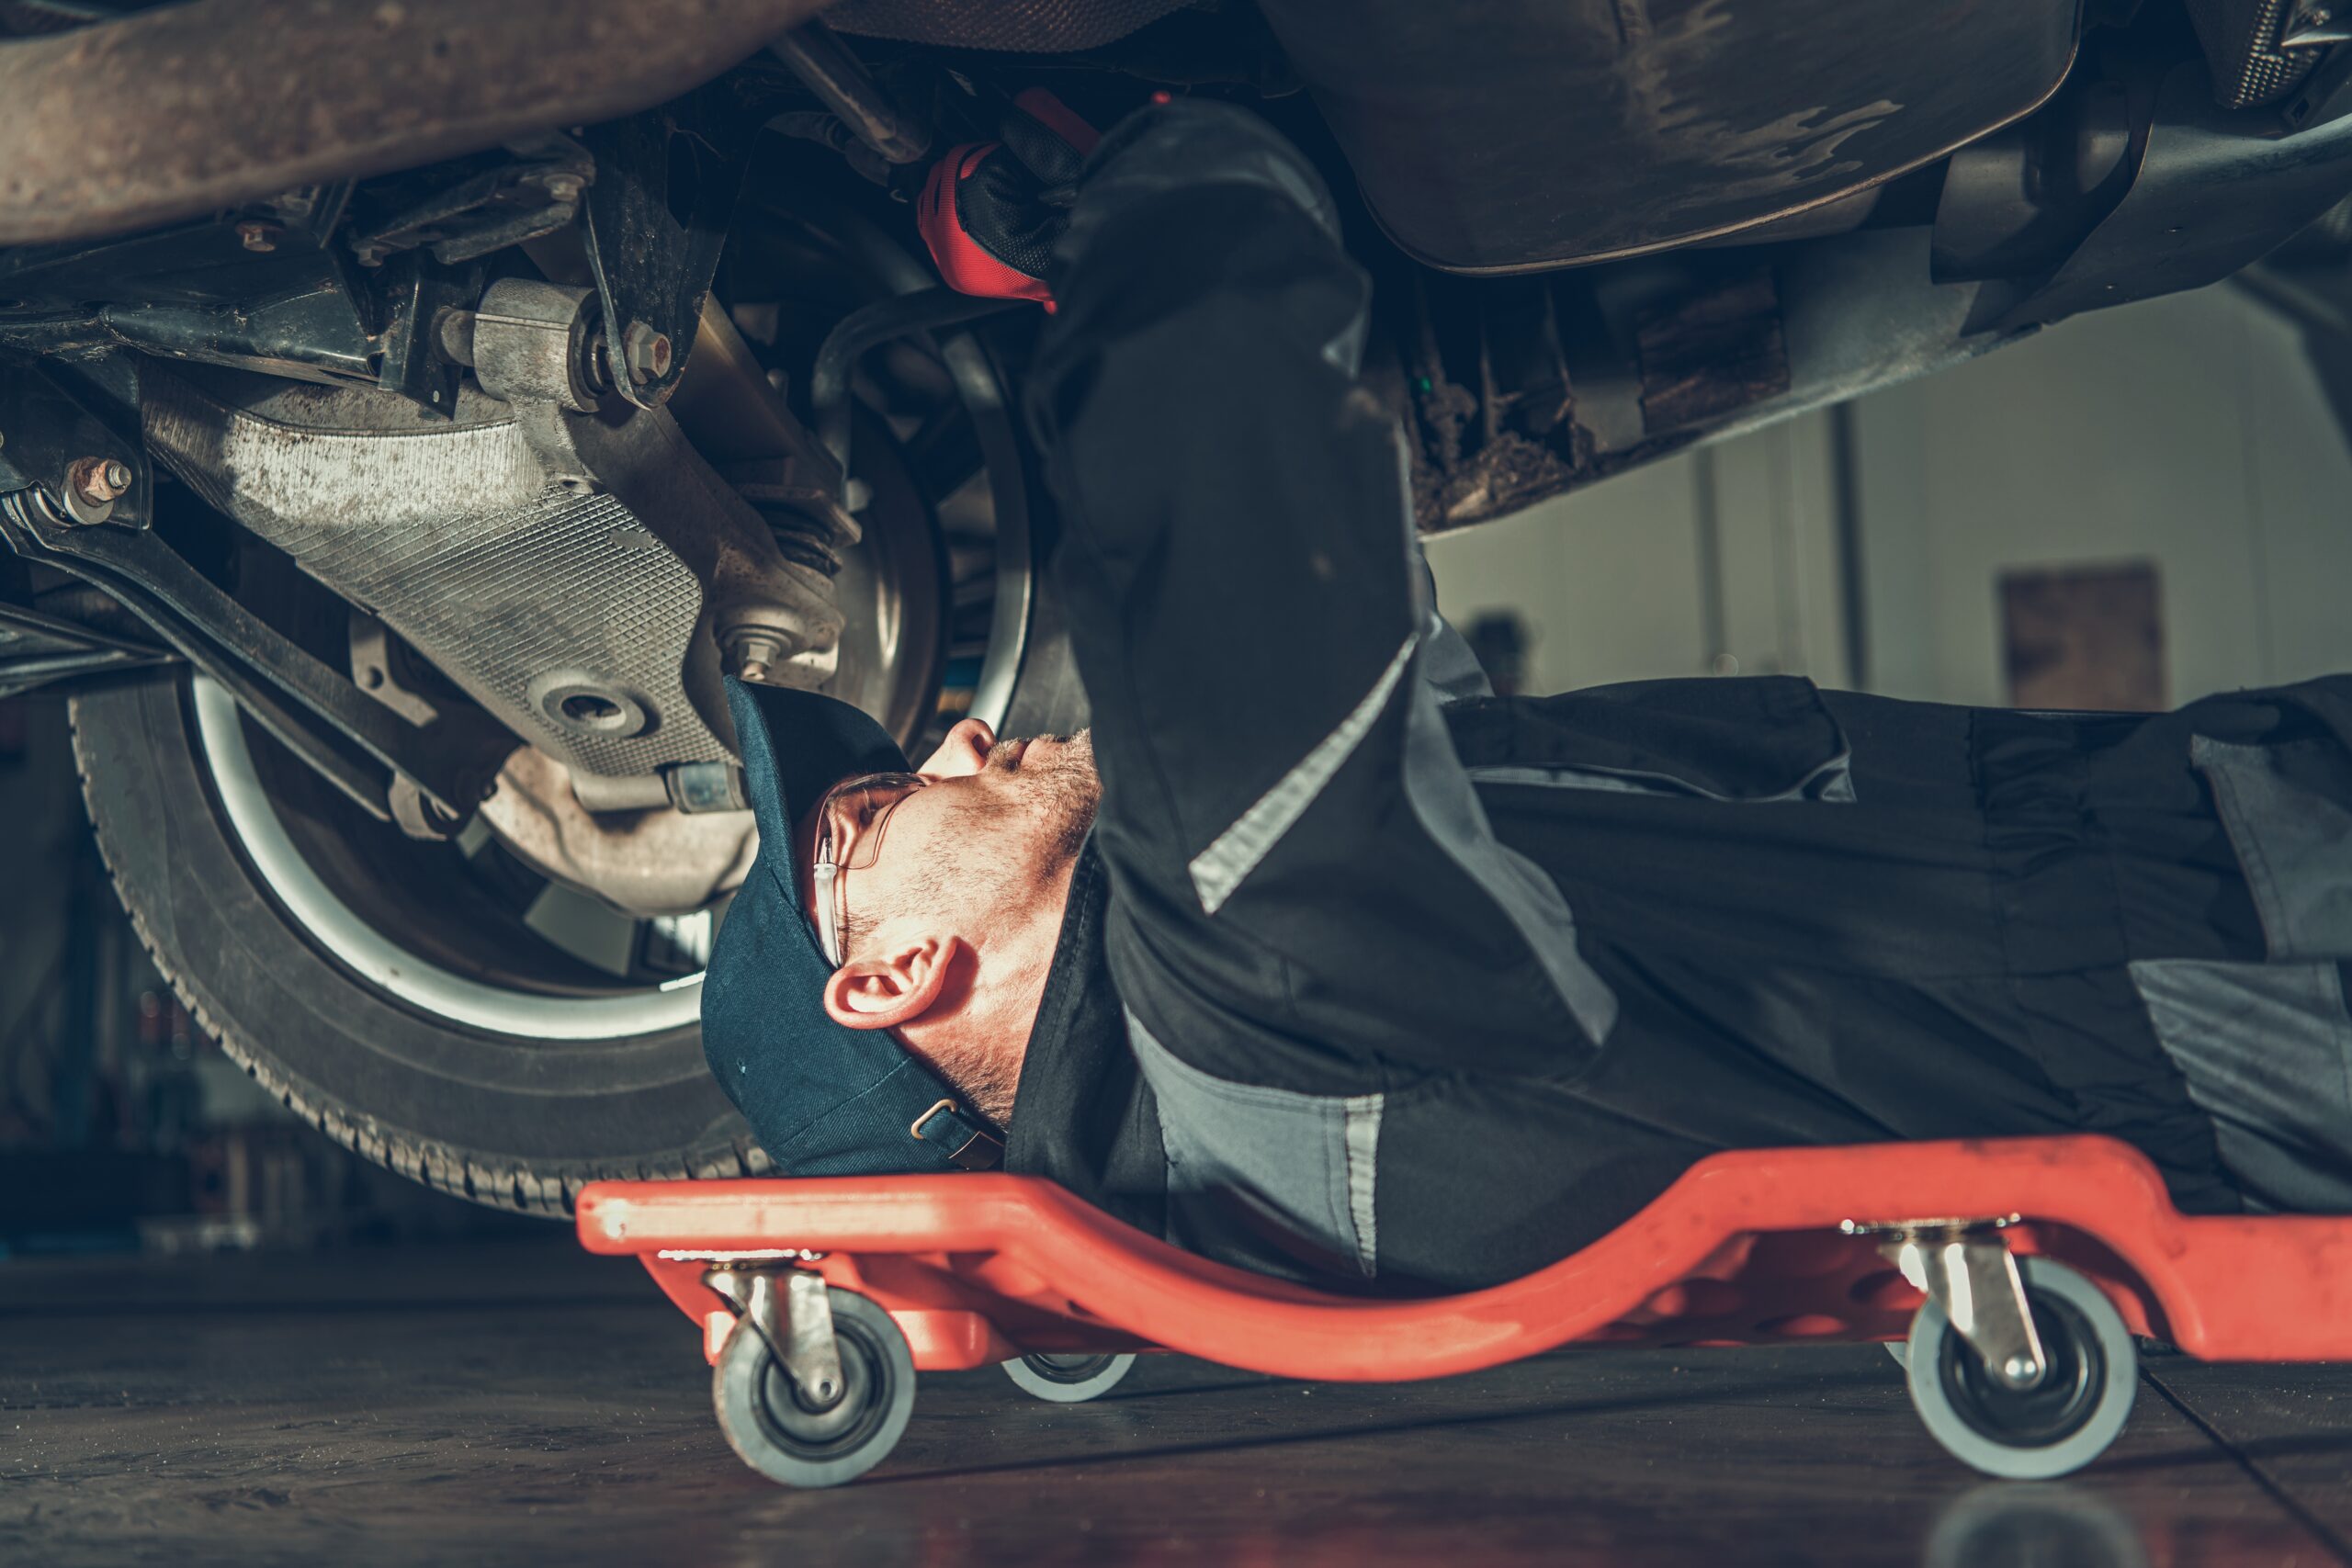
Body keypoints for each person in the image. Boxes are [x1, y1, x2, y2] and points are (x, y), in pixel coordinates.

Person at [702, 98, 2352, 1292]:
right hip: (2252, 961)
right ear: (895, 980)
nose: (959, 735)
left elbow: (1364, 619)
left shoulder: (1288, 1033)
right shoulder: (1241, 1009)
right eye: (875, 805)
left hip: (2225, 855)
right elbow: (1220, 477)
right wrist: (1151, 163)